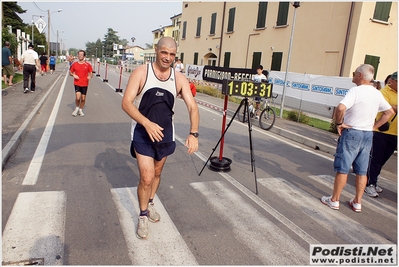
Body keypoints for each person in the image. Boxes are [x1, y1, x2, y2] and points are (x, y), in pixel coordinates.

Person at [121, 37, 199, 239]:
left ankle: (151, 202)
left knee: (156, 173)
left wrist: (193, 133)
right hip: (142, 132)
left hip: (165, 134)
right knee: (146, 177)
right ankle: (143, 214)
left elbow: (192, 106)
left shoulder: (179, 78)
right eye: (164, 52)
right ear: (156, 50)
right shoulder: (142, 72)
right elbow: (127, 103)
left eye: (172, 54)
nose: (167, 57)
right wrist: (146, 123)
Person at [321, 64, 394, 212]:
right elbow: (389, 112)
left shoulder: (356, 91)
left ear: (360, 75)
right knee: (362, 170)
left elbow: (341, 107)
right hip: (367, 134)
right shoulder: (376, 93)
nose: (353, 75)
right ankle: (357, 202)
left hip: (352, 132)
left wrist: (340, 123)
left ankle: (334, 199)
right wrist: (375, 127)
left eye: (355, 73)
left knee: (343, 168)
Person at [365, 71, 397, 197]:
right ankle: (369, 184)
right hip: (381, 132)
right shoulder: (384, 92)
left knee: (383, 160)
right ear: (392, 81)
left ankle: (373, 179)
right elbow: (386, 108)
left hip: (395, 134)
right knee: (376, 159)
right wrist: (395, 107)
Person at [69, 50, 93, 117]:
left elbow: (91, 73)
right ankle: (76, 108)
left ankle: (80, 109)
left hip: (85, 84)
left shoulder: (87, 65)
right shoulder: (75, 64)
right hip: (77, 83)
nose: (80, 56)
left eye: (81, 55)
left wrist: (90, 76)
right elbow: (70, 72)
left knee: (83, 98)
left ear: (84, 56)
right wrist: (73, 75)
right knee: (77, 97)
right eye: (79, 54)